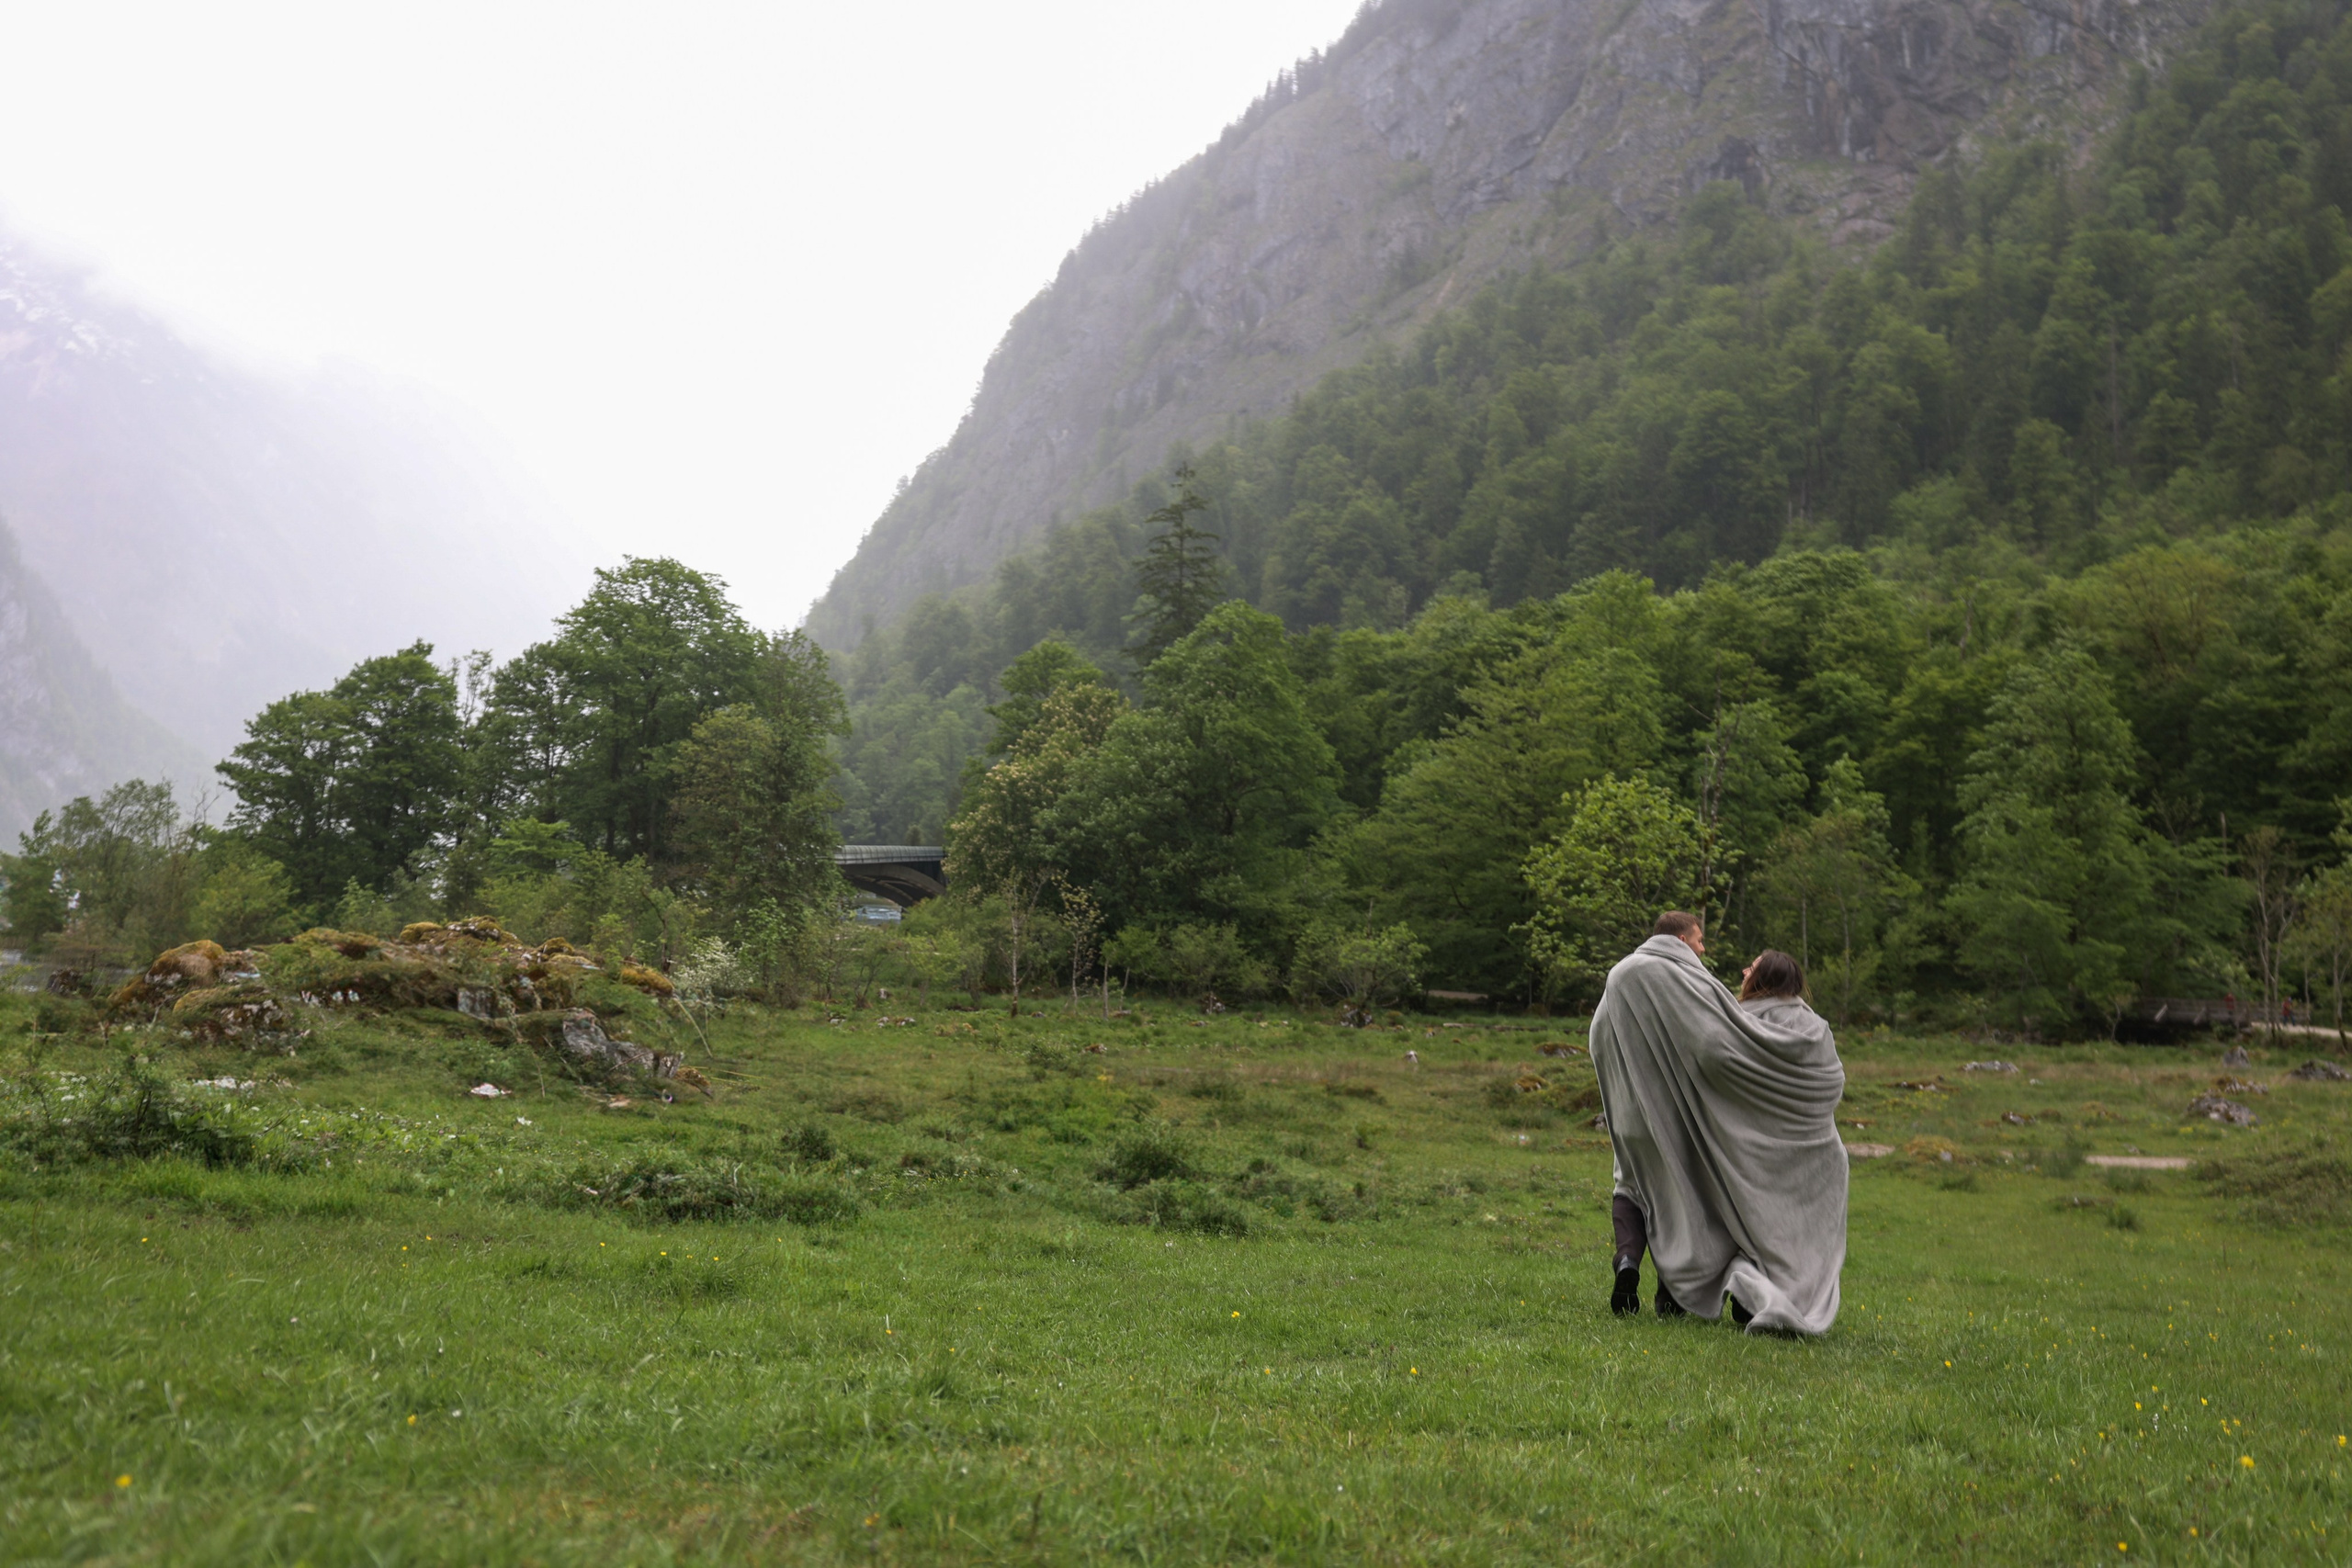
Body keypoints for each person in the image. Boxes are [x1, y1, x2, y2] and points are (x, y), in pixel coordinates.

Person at [1589, 912, 1849, 1336]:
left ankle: (1633, 1264)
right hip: (1797, 1148)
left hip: (1650, 1116)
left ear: (1763, 978)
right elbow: (1826, 1079)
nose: (1706, 949)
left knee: (1651, 1192)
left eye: (1752, 966)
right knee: (1737, 1217)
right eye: (1700, 938)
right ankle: (1724, 1297)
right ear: (1679, 939)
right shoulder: (1806, 1025)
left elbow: (1706, 1055)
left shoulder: (1633, 980)